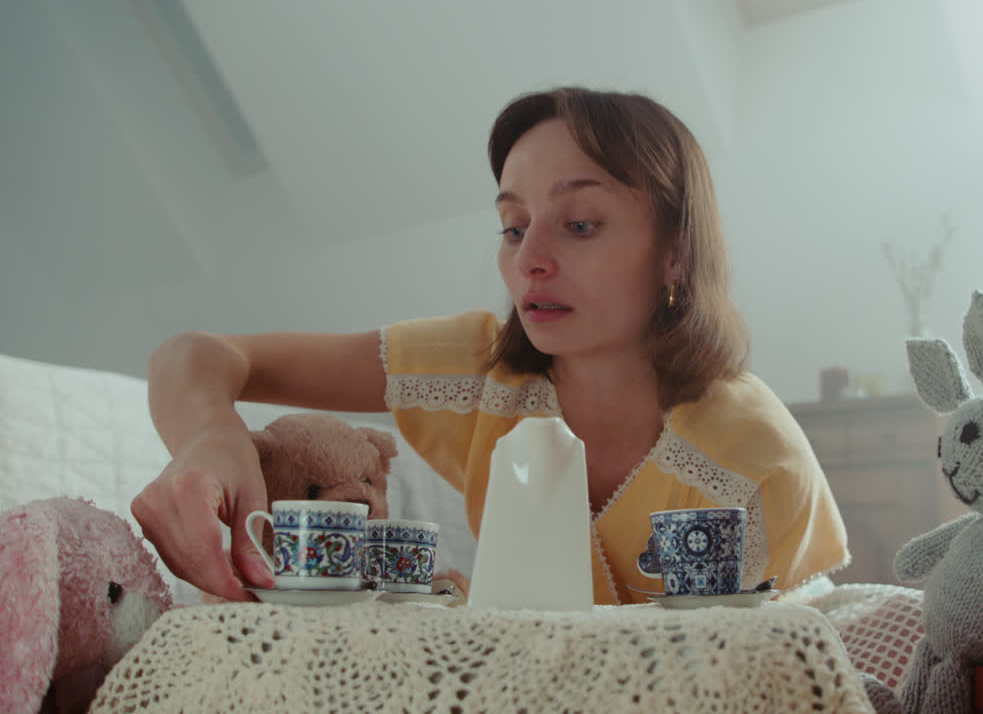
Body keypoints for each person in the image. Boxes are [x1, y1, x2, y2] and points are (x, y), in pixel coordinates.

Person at [133, 87, 849, 605]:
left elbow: (772, 661)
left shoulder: (754, 466)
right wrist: (207, 437)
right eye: (514, 226)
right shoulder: (480, 371)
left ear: (675, 256)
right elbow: (194, 354)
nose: (529, 260)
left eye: (581, 224)